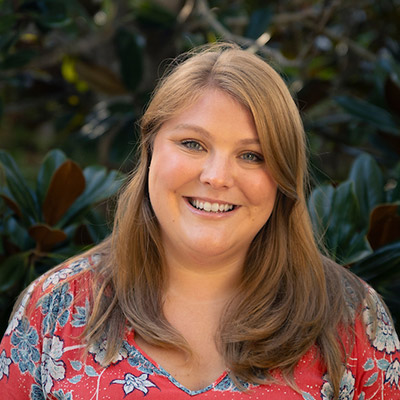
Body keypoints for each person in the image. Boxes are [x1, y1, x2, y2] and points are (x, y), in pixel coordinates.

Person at [0, 43, 399, 400]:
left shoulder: (352, 319)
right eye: (193, 144)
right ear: (150, 147)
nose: (216, 176)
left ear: (283, 176)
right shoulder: (54, 307)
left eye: (252, 155)